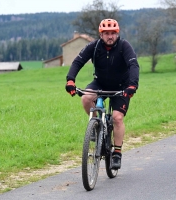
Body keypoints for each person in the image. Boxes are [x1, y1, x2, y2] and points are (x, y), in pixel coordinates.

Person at [65, 19, 140, 169]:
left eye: (113, 33)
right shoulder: (94, 47)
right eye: (107, 33)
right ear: (101, 34)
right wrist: (70, 81)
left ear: (117, 34)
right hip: (100, 83)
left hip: (122, 86)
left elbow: (133, 64)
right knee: (86, 98)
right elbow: (78, 62)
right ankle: (97, 125)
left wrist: (132, 85)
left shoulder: (124, 46)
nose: (110, 36)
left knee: (117, 118)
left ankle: (117, 153)